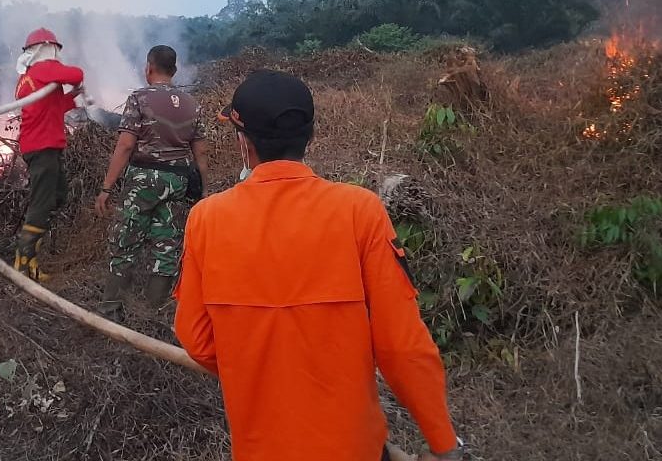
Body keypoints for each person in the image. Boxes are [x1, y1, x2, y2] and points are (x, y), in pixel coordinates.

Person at [173, 69, 463, 461]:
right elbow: (402, 345)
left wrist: (257, 361)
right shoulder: (359, 211)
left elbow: (196, 337)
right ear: (310, 136)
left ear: (244, 143)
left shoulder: (207, 219)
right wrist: (443, 444)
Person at [94, 45, 207, 321]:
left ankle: (111, 309)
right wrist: (204, 189)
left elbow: (125, 145)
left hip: (143, 180)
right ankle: (153, 310)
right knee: (167, 244)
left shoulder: (139, 98)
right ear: (175, 70)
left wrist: (107, 187)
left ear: (149, 67)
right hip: (178, 181)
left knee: (125, 240)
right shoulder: (191, 103)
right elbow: (201, 153)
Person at [13, 27, 85, 282]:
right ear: (46, 49)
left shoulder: (35, 78)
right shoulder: (42, 70)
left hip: (45, 146)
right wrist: (77, 83)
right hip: (42, 147)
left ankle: (30, 256)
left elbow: (53, 108)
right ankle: (24, 264)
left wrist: (75, 99)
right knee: (42, 204)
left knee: (56, 197)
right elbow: (76, 73)